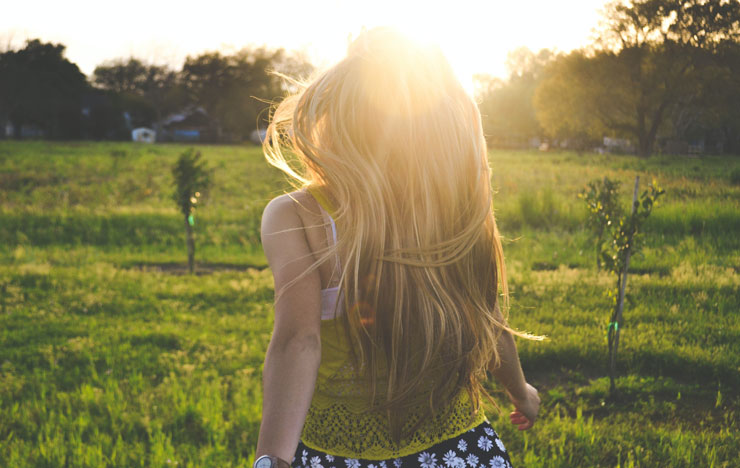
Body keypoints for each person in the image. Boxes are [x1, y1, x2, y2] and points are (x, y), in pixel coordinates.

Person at [255, 27, 541, 468]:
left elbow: (299, 340)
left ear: (336, 117)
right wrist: (522, 393)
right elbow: (487, 315)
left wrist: (271, 458)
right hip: (459, 451)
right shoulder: (455, 210)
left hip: (341, 456)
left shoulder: (297, 214)